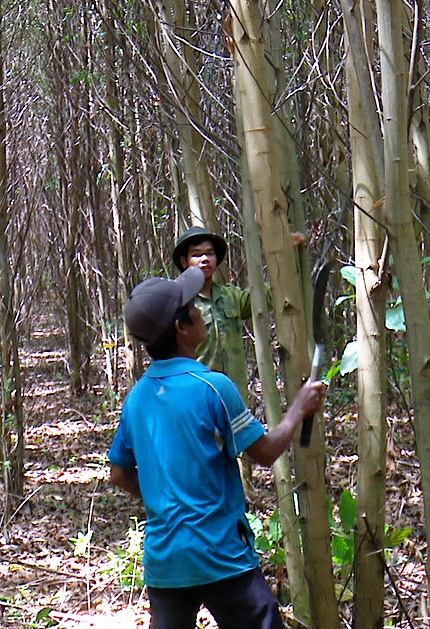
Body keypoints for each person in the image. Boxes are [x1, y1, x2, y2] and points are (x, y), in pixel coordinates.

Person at [108, 266, 325, 628]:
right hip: (219, 552)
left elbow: (118, 473)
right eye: (193, 306)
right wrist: (298, 409)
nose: (199, 310)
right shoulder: (212, 387)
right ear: (182, 328)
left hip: (165, 559)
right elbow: (267, 451)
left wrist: (164, 502)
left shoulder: (136, 398)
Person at [172, 227, 254, 400]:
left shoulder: (232, 296)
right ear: (184, 261)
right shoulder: (178, 302)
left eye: (210, 253)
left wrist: (288, 255)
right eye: (196, 254)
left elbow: (269, 296)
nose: (204, 259)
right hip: (198, 400)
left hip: (235, 399)